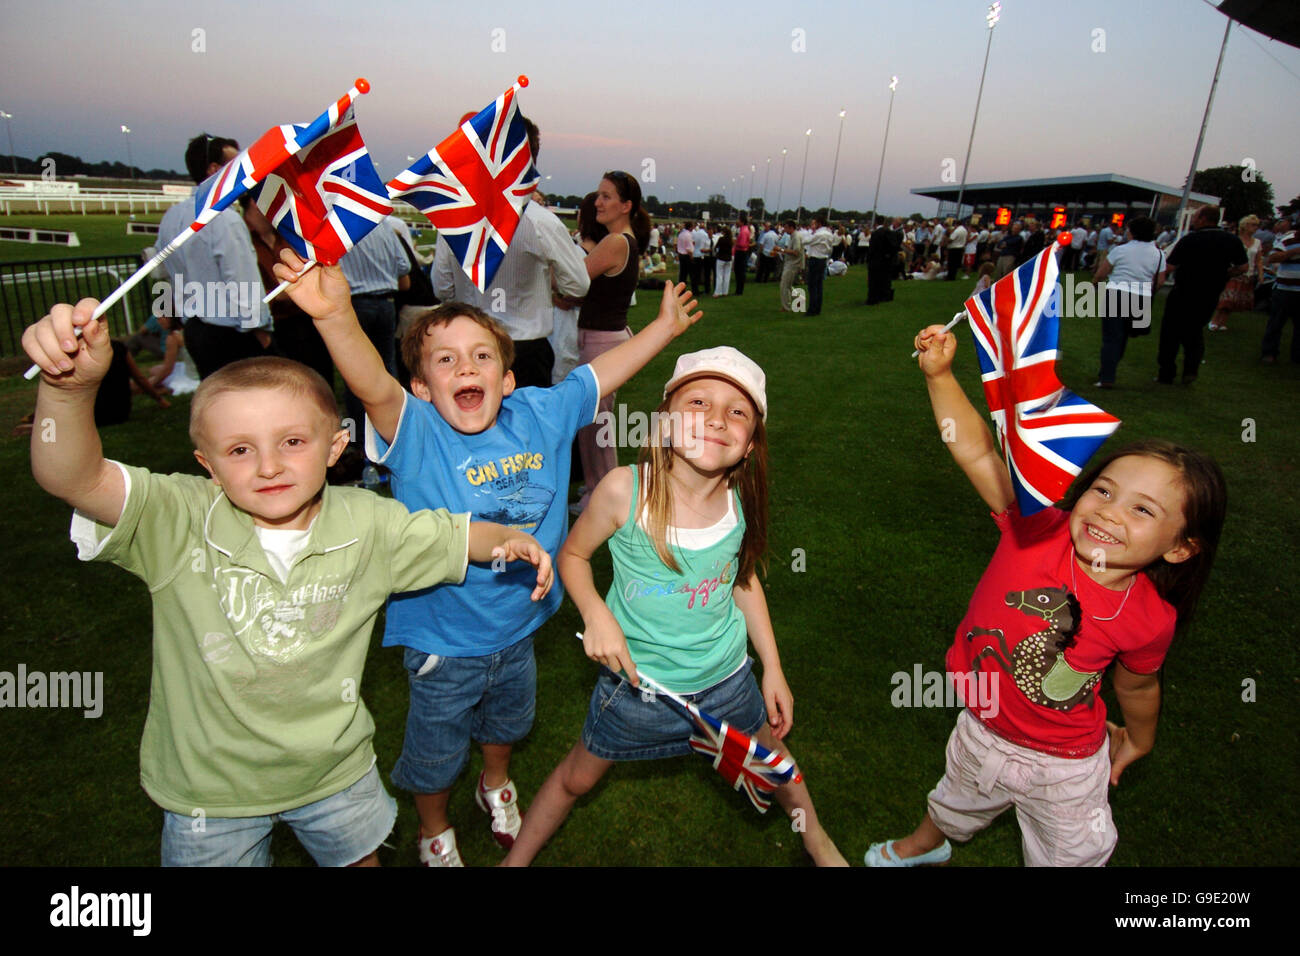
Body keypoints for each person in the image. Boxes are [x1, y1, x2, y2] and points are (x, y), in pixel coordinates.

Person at [22, 302, 554, 866]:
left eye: (293, 442)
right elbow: (73, 477)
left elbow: (452, 533)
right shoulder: (176, 518)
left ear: (335, 447)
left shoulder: (368, 522)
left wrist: (507, 538)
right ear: (207, 463)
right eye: (240, 449)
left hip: (336, 773)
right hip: (211, 791)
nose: (269, 466)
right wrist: (67, 392)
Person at [273, 246, 704, 866]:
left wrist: (664, 327)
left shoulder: (539, 413)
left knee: (507, 724)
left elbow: (601, 375)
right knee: (435, 749)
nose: (465, 368)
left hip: (519, 627)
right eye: (444, 361)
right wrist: (337, 315)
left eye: (481, 357)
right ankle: (433, 826)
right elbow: (370, 385)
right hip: (443, 643)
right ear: (421, 387)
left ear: (507, 378)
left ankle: (496, 782)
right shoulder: (416, 430)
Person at [866, 323, 1226, 867]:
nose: (1108, 511)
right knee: (956, 798)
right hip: (979, 725)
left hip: (1066, 764)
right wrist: (939, 375)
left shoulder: (1149, 618)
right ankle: (929, 841)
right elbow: (976, 451)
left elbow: (1138, 685)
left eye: (1142, 509)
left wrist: (1139, 739)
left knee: (1070, 856)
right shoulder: (1034, 528)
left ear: (1180, 549)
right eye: (1105, 489)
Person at [501, 347, 848, 867]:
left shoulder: (737, 500)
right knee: (577, 777)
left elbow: (743, 581)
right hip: (639, 685)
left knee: (772, 763)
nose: (716, 419)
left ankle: (816, 839)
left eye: (737, 412)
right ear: (664, 422)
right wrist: (597, 614)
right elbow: (573, 555)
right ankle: (516, 859)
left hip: (728, 678)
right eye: (700, 402)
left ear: (750, 444)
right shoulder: (624, 491)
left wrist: (772, 668)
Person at [433, 116, 589, 390]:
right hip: (524, 350)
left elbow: (441, 286)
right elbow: (578, 284)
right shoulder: (541, 221)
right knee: (526, 429)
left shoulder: (454, 216)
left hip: (469, 344)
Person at [156, 134, 272, 379]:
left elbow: (161, 269)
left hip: (196, 329)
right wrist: (260, 328)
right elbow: (242, 279)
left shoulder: (171, 216)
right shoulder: (225, 218)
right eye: (235, 164)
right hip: (231, 332)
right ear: (214, 169)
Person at [576, 171, 652, 512]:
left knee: (596, 425)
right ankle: (597, 490)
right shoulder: (622, 240)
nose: (597, 202)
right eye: (598, 194)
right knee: (593, 422)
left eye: (606, 196)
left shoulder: (616, 242)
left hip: (601, 341)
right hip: (605, 338)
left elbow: (571, 281)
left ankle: (605, 500)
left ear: (626, 206)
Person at [1157, 206, 1247, 384]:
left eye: (1196, 217)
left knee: (1171, 332)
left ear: (1204, 219)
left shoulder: (1190, 239)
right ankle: (1191, 370)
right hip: (1210, 293)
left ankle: (1166, 372)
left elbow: (1170, 266)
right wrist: (1225, 274)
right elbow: (1243, 267)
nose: (1194, 221)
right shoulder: (1231, 240)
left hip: (1184, 291)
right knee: (1194, 331)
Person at [1093, 216, 1166, 388]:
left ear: (1132, 231)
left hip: (1117, 293)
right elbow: (1160, 280)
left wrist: (1095, 283)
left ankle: (1106, 376)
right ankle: (1109, 370)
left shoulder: (1121, 250)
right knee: (1124, 336)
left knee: (1111, 338)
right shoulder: (1159, 254)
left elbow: (1102, 272)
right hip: (1142, 296)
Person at [1208, 215, 1260, 331]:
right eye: (1253, 225)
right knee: (1226, 299)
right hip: (1234, 272)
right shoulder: (1235, 239)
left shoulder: (1257, 242)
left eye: (1257, 225)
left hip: (1248, 274)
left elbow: (1258, 260)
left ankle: (1223, 322)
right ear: (1245, 226)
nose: (1255, 227)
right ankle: (1214, 320)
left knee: (1236, 300)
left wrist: (1260, 274)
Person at [1260, 216, 1299, 365]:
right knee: (1276, 322)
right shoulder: (1288, 239)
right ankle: (1269, 352)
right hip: (1285, 289)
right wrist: (1293, 251)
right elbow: (1272, 258)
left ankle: (1297, 356)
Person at [866, 218, 902, 305]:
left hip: (875, 260)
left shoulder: (875, 233)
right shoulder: (889, 232)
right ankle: (884, 296)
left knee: (874, 280)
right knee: (885, 279)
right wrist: (889, 255)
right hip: (886, 261)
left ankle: (873, 298)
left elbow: (872, 249)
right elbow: (894, 246)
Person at [804, 217, 833, 315]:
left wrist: (811, 232)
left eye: (814, 223)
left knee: (812, 285)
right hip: (823, 259)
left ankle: (812, 309)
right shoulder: (829, 234)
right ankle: (817, 308)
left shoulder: (819, 234)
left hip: (815, 259)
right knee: (819, 285)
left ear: (819, 224)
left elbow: (806, 241)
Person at [777, 220, 805, 312]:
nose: (784, 230)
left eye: (785, 227)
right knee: (787, 285)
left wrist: (781, 249)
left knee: (784, 285)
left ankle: (786, 306)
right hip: (791, 263)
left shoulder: (796, 237)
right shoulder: (794, 236)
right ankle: (788, 304)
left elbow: (796, 252)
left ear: (791, 228)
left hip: (793, 264)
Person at [733, 212, 752, 295]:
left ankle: (739, 290)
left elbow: (743, 244)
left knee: (739, 272)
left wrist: (735, 243)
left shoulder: (743, 231)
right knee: (739, 272)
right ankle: (739, 289)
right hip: (742, 252)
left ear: (742, 222)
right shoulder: (744, 230)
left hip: (741, 252)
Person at [712, 225, 733, 297]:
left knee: (719, 276)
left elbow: (716, 247)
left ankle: (717, 292)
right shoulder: (731, 240)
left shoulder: (721, 239)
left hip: (721, 258)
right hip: (729, 259)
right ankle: (725, 292)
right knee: (727, 276)